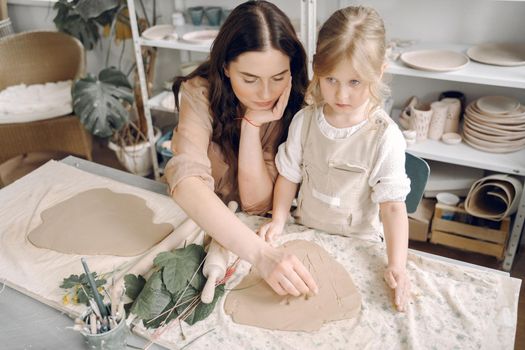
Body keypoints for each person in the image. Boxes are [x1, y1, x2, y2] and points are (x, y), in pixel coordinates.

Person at [257, 6, 411, 311]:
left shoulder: (384, 136)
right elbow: (289, 175)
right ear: (316, 68)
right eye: (330, 80)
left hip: (358, 244)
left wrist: (398, 265)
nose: (341, 95)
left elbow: (393, 208)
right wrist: (278, 219)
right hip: (308, 234)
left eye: (355, 82)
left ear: (379, 72)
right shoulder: (305, 122)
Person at [165, 1, 318, 298]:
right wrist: (261, 256)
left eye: (278, 78)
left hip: (258, 230)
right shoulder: (199, 92)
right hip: (203, 222)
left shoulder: (300, 105)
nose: (265, 94)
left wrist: (251, 127)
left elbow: (256, 204)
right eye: (249, 79)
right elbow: (185, 181)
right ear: (225, 68)